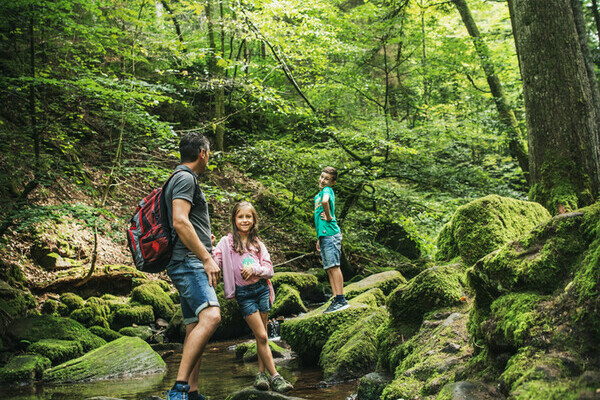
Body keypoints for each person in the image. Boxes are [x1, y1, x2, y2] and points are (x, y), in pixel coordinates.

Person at [212, 201, 293, 393]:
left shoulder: (258, 244)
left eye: (248, 216)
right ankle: (276, 377)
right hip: (244, 295)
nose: (245, 220)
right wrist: (208, 244)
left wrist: (254, 269)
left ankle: (260, 374)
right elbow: (215, 261)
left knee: (260, 336)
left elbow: (269, 270)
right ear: (234, 219)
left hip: (262, 289)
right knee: (263, 336)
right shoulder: (226, 243)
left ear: (254, 220)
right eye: (240, 216)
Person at [164, 132, 221, 400]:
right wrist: (207, 258)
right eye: (209, 153)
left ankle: (193, 392)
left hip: (186, 257)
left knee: (193, 325)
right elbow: (179, 221)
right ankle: (178, 389)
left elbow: (186, 223)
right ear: (202, 153)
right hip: (190, 261)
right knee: (211, 316)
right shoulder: (186, 179)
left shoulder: (177, 177)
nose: (209, 157)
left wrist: (204, 241)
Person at [314, 166, 349, 313]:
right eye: (322, 177)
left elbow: (325, 202)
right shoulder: (319, 194)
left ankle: (341, 299)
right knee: (328, 268)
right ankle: (336, 298)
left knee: (334, 266)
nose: (323, 180)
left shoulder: (327, 191)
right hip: (324, 235)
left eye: (327, 179)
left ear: (333, 182)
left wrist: (329, 217)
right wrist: (318, 238)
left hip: (331, 235)